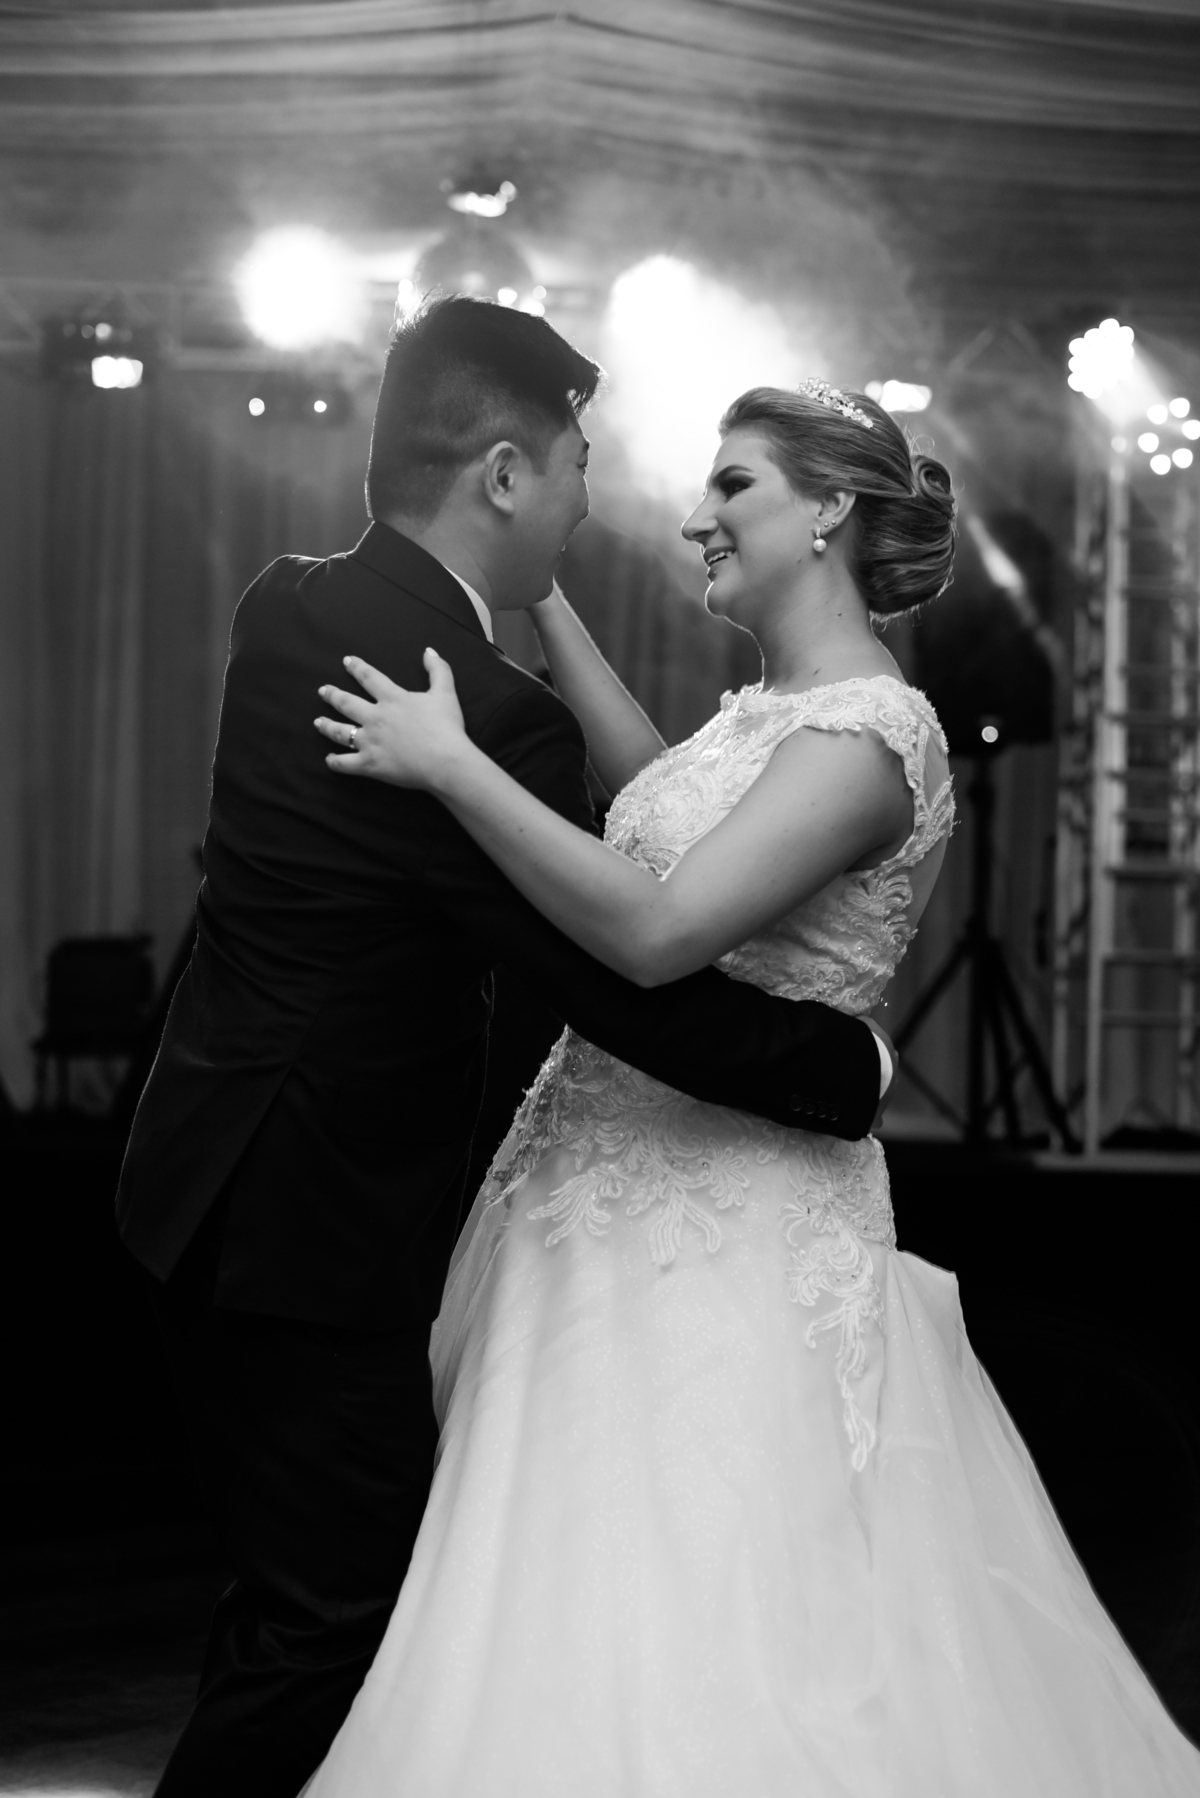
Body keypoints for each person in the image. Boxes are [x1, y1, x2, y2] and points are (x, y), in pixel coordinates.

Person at [306, 380, 1200, 1795]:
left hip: (726, 1225)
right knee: (558, 1589)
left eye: (733, 486)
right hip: (593, 1195)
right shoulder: (773, 717)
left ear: (830, 508)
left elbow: (661, 928)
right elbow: (666, 800)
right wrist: (544, 605)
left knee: (698, 1603)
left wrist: (453, 765)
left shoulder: (869, 739)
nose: (694, 515)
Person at [115, 304, 893, 1798]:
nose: (603, 499)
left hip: (202, 1183)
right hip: (317, 1233)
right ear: (504, 475)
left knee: (293, 1599)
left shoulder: (285, 607)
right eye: (581, 464)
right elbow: (621, 975)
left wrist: (540, 635)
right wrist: (836, 1069)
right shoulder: (476, 721)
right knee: (330, 1627)